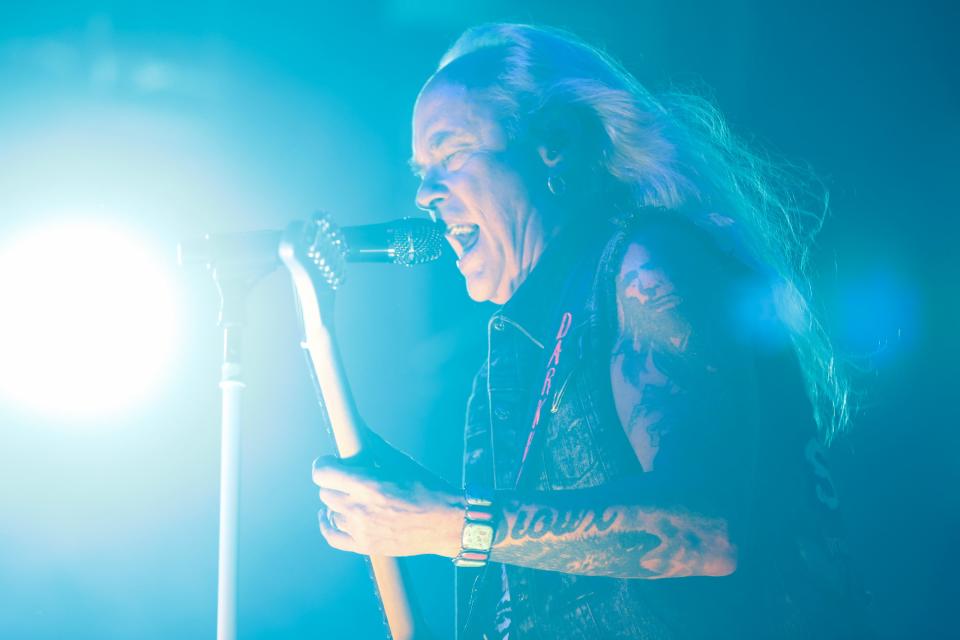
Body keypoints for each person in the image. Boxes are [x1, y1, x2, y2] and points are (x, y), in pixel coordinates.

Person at [312, 23, 865, 639]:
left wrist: (448, 522)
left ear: (554, 145)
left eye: (452, 154)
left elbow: (705, 531)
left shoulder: (648, 264)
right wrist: (408, 510)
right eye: (421, 169)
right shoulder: (515, 361)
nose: (423, 194)